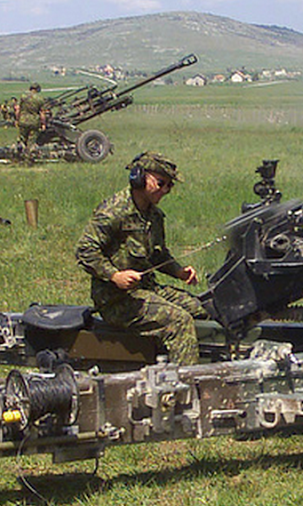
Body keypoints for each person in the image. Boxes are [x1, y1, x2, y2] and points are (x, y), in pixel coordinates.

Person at [76, 151, 210, 365]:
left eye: (170, 186)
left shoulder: (154, 216)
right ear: (139, 177)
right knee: (179, 321)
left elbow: (158, 254)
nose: (165, 190)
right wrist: (115, 276)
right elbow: (85, 250)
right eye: (160, 183)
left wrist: (178, 271)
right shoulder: (113, 212)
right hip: (117, 301)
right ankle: (182, 388)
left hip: (148, 291)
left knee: (203, 309)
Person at [15, 83, 46, 163]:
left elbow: (17, 109)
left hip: (23, 121)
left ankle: (19, 157)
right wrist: (43, 123)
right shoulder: (40, 99)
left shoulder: (23, 97)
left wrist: (17, 119)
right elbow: (42, 113)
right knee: (31, 142)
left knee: (22, 140)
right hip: (34, 122)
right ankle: (28, 159)